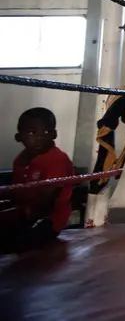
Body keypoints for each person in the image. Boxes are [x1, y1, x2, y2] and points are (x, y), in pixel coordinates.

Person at [1, 107, 75, 253]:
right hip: (25, 212)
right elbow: (16, 192)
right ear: (19, 137)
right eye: (32, 133)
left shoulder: (56, 159)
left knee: (14, 241)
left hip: (49, 219)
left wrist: (16, 215)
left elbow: (46, 203)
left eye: (46, 132)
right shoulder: (20, 160)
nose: (40, 138)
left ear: (54, 134)